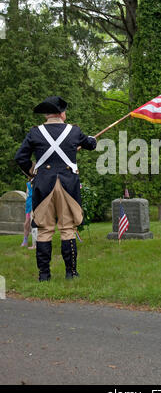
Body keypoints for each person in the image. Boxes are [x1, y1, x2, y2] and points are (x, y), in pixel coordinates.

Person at [15, 96, 97, 281]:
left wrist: (32, 172)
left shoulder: (35, 133)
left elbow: (20, 157)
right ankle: (71, 273)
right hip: (68, 185)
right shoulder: (74, 131)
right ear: (61, 113)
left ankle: (44, 276)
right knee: (68, 228)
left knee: (44, 230)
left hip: (43, 185)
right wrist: (91, 139)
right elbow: (90, 145)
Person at [20, 179, 36, 249]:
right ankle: (25, 239)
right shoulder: (28, 183)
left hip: (36, 204)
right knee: (27, 222)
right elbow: (27, 194)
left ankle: (35, 243)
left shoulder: (39, 181)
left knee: (34, 223)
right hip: (29, 205)